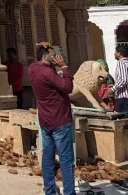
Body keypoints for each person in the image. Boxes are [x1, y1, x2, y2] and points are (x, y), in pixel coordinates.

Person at [29, 44, 75, 195]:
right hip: (59, 120)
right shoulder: (48, 73)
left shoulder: (32, 68)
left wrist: (44, 49)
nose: (56, 57)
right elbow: (67, 87)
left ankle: (49, 190)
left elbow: (39, 57)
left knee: (48, 157)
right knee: (66, 159)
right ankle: (69, 192)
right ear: (45, 56)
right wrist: (64, 67)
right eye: (53, 54)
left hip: (45, 121)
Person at [113, 45, 128, 148]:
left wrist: (112, 89)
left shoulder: (121, 63)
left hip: (123, 97)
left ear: (119, 54)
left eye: (115, 52)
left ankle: (124, 146)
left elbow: (123, 80)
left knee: (121, 122)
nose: (114, 54)